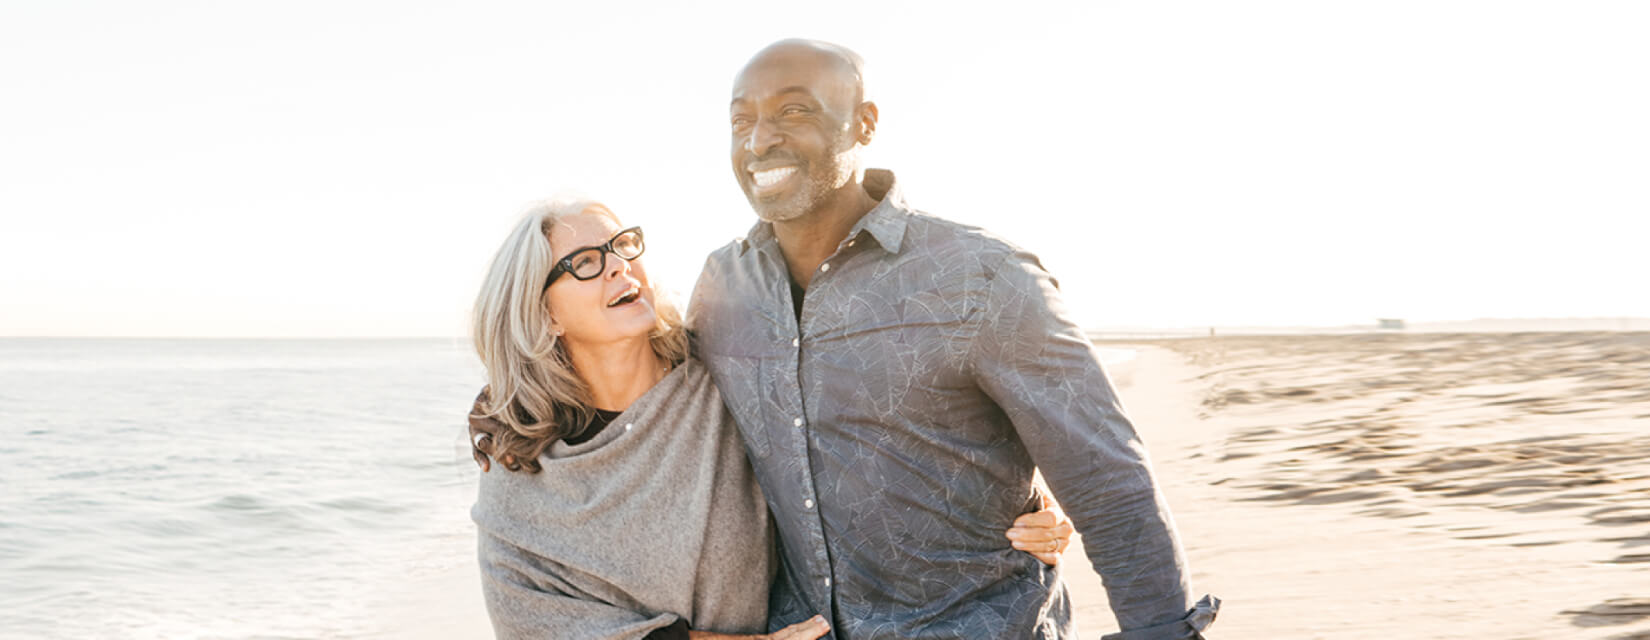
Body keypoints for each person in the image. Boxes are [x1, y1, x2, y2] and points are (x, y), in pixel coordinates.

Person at [684, 39, 1221, 639]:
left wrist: (1162, 630)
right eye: (741, 120)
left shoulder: (983, 277)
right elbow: (677, 442)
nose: (760, 141)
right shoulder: (720, 289)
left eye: (794, 111)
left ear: (863, 125)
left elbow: (1107, 481)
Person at [466, 199, 1074, 640]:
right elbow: (535, 617)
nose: (621, 266)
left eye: (622, 245)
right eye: (586, 263)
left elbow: (863, 431)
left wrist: (1016, 497)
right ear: (542, 315)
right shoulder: (522, 463)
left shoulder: (726, 367)